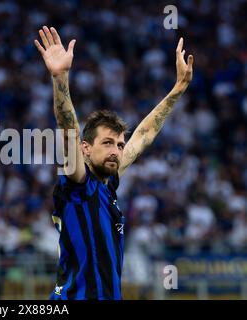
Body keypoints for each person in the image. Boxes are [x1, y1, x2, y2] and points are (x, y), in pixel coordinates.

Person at [34, 26, 193, 300]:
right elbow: (67, 125)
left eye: (119, 145)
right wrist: (60, 77)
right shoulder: (78, 186)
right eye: (107, 143)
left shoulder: (108, 186)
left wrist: (178, 88)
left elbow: (144, 135)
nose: (116, 151)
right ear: (85, 149)